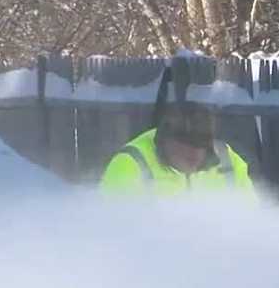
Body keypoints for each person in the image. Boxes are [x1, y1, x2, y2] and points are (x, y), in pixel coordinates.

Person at [99, 71, 256, 196]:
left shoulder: (229, 164)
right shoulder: (130, 165)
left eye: (200, 144)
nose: (193, 153)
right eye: (186, 143)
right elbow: (112, 223)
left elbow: (251, 218)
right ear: (166, 139)